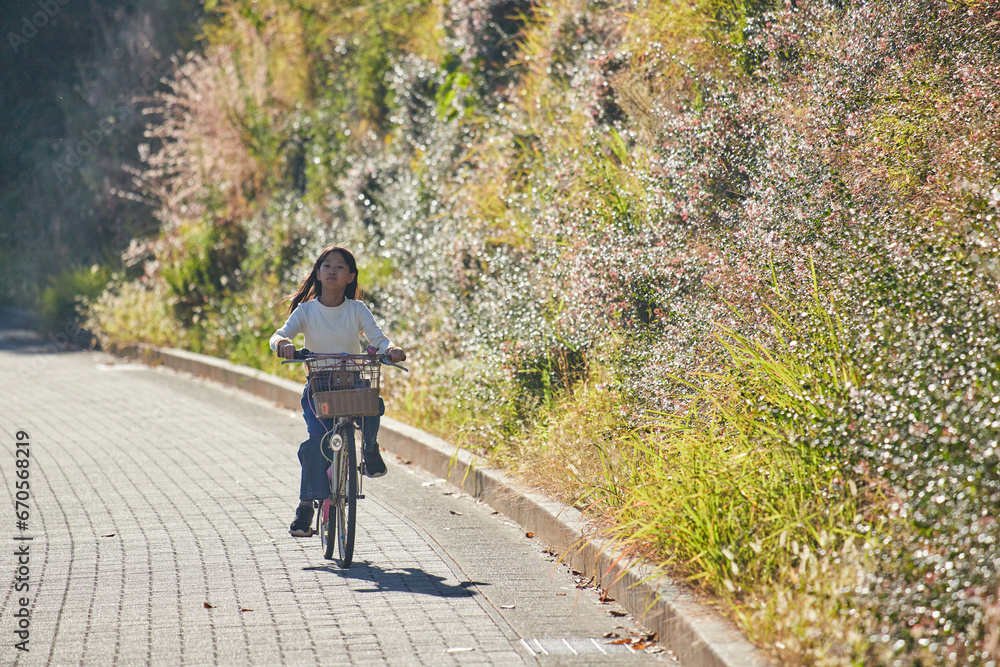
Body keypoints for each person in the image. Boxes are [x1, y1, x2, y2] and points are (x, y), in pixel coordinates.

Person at [270, 246, 407, 537]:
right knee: (315, 442)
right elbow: (280, 334)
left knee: (373, 403)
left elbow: (379, 339)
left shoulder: (357, 309)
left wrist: (391, 350)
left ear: (350, 276)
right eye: (327, 265)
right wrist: (282, 343)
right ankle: (306, 506)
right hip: (319, 385)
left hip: (352, 380)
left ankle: (369, 450)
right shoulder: (306, 311)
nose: (333, 270)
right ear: (318, 274)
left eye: (340, 267)